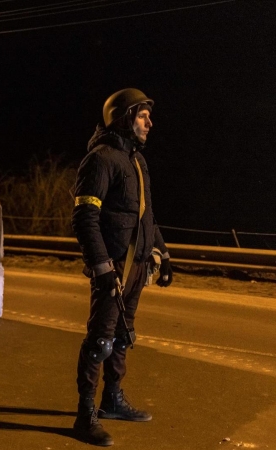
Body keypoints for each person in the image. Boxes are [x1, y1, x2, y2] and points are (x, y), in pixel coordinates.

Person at [71, 88, 174, 446]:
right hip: (113, 267)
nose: (150, 122)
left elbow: (145, 215)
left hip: (137, 268)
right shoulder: (101, 159)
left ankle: (112, 400)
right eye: (143, 116)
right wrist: (101, 266)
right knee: (100, 340)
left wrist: (163, 253)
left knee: (122, 338)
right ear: (125, 117)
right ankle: (85, 416)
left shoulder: (136, 160)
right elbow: (85, 216)